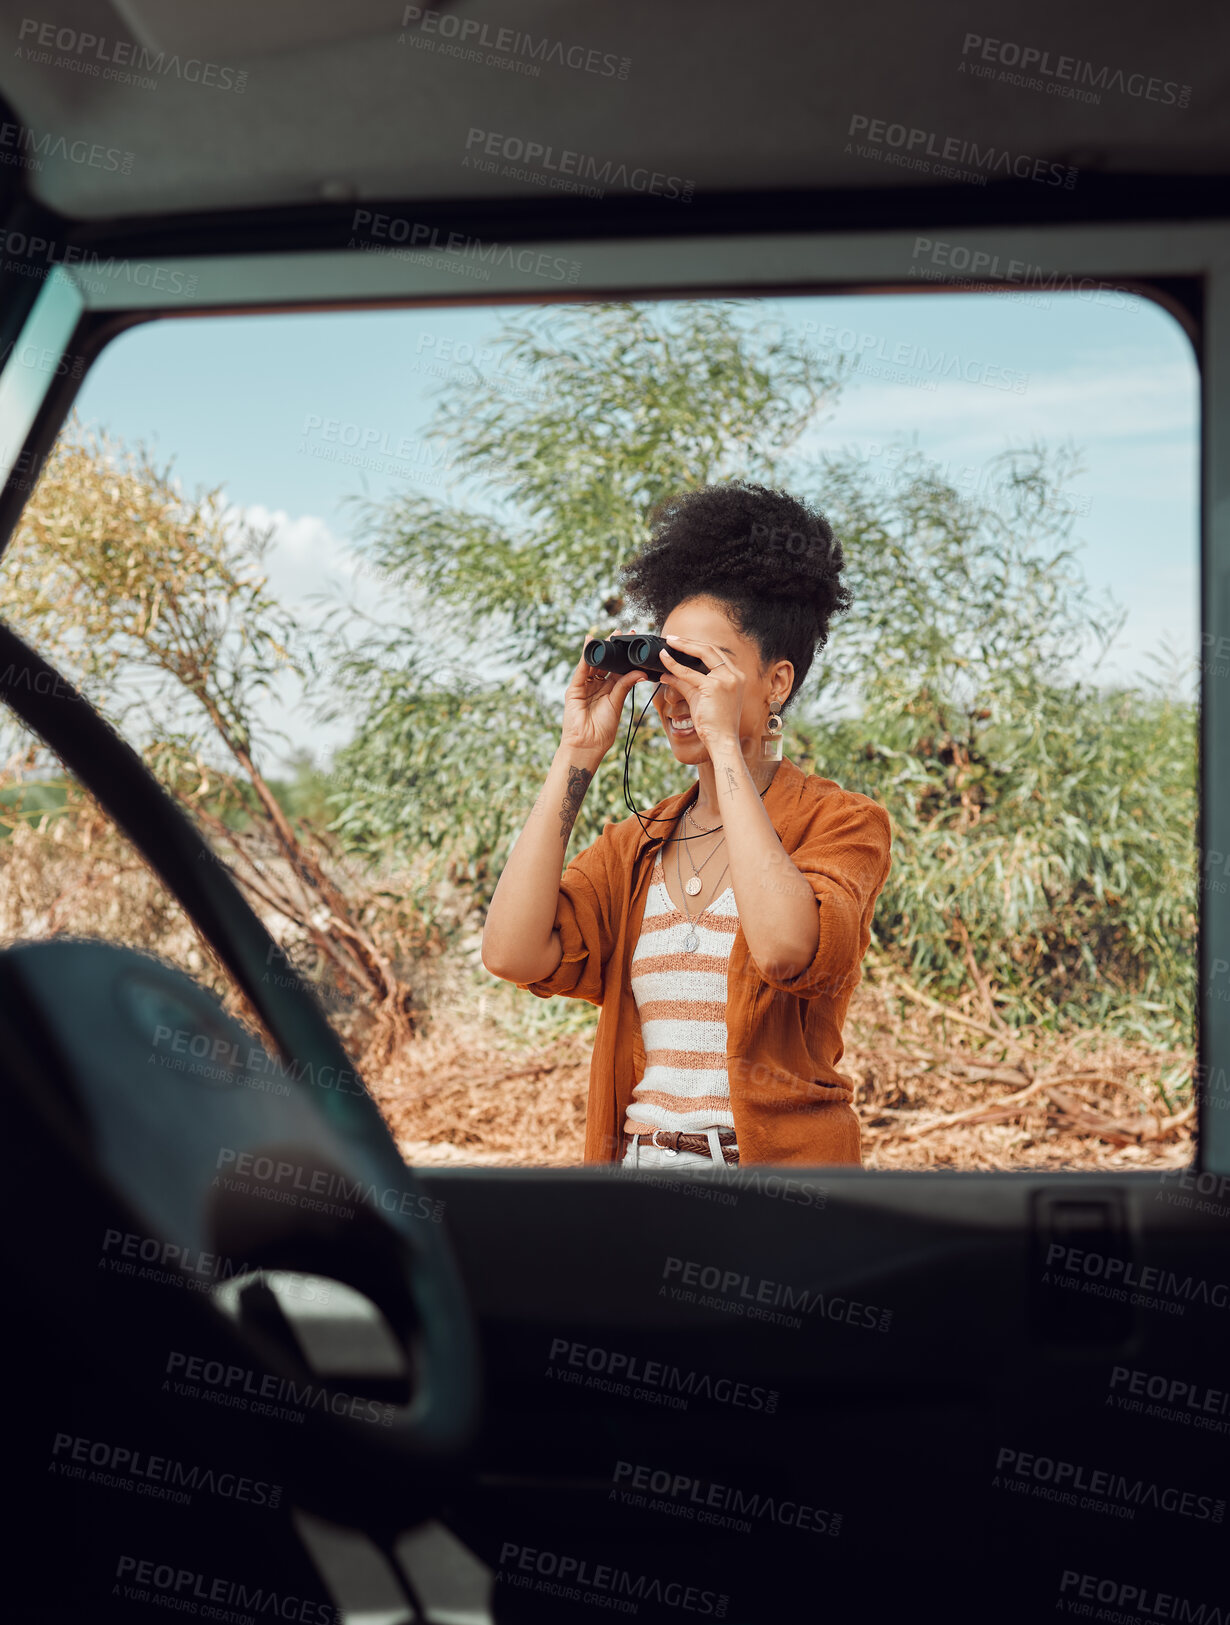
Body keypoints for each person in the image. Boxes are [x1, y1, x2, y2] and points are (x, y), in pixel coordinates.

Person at [481, 481, 891, 1172]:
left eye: (700, 667)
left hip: (778, 1186)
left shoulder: (842, 823)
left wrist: (728, 744)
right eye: (665, 666)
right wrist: (577, 749)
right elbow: (512, 953)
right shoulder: (637, 844)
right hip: (639, 1180)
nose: (675, 692)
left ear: (777, 681)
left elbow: (788, 948)